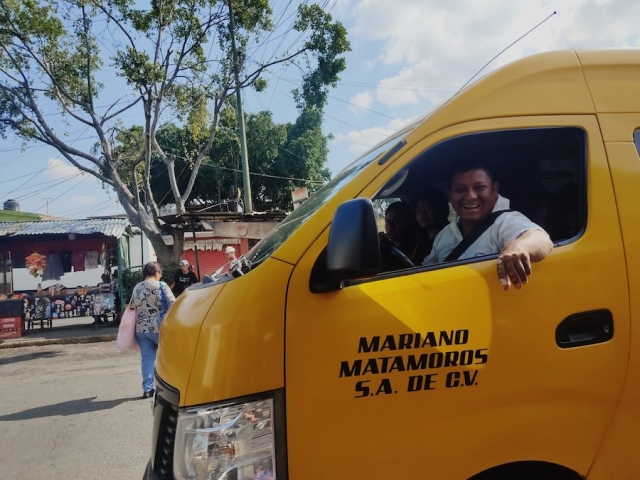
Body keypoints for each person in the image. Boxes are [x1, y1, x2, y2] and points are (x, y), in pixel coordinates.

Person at [423, 164, 553, 290]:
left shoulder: (505, 221)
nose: (470, 196)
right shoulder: (444, 235)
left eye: (479, 187)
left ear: (494, 190)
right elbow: (424, 276)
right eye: (460, 190)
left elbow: (541, 239)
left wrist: (518, 247)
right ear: (450, 194)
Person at [131, 261, 176, 398]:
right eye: (160, 273)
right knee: (169, 356)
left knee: (147, 358)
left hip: (141, 329)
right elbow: (174, 304)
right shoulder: (162, 286)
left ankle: (148, 389)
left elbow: (132, 306)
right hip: (159, 328)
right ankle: (172, 387)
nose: (161, 276)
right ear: (156, 272)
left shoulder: (137, 287)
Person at [414, 188, 450, 260]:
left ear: (441, 209)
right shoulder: (422, 241)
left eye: (428, 208)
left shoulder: (449, 239)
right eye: (418, 210)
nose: (422, 213)